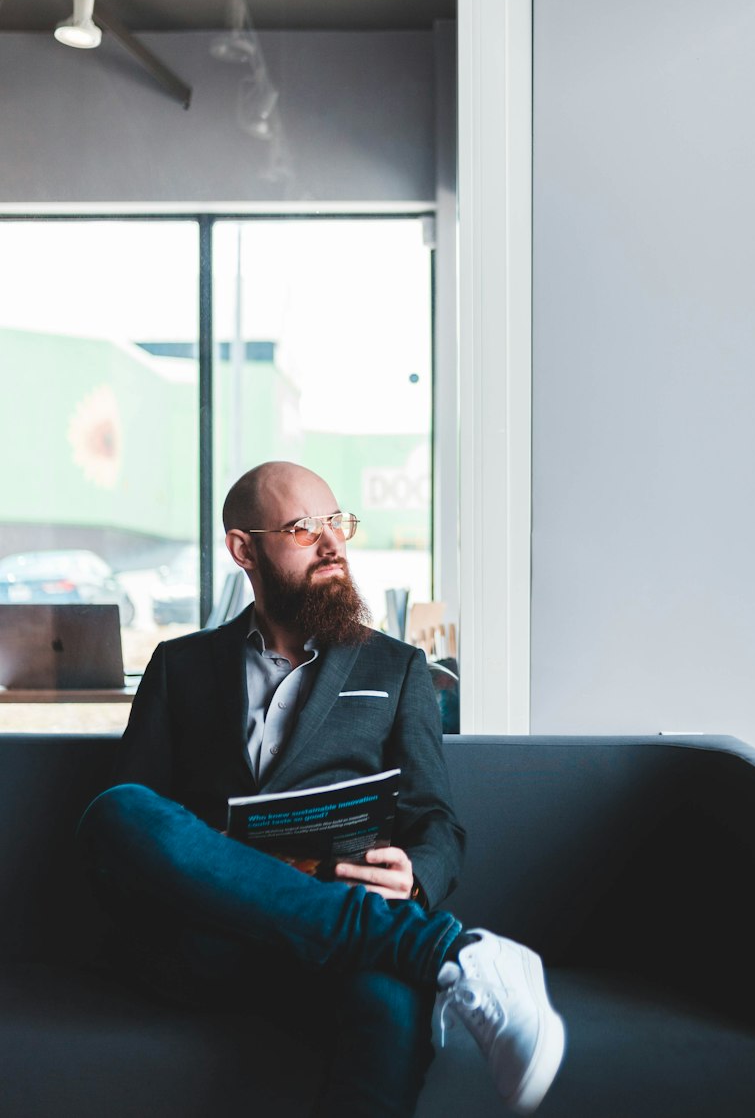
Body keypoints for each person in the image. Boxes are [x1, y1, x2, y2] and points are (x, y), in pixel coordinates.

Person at [78, 460, 565, 1117]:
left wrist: (416, 873)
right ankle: (448, 952)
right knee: (118, 811)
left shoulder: (397, 667)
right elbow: (131, 840)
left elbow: (436, 821)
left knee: (388, 1000)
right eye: (306, 529)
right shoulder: (179, 666)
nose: (335, 544)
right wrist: (217, 857)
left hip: (340, 936)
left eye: (338, 524)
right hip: (213, 937)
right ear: (243, 549)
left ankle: (408, 940)